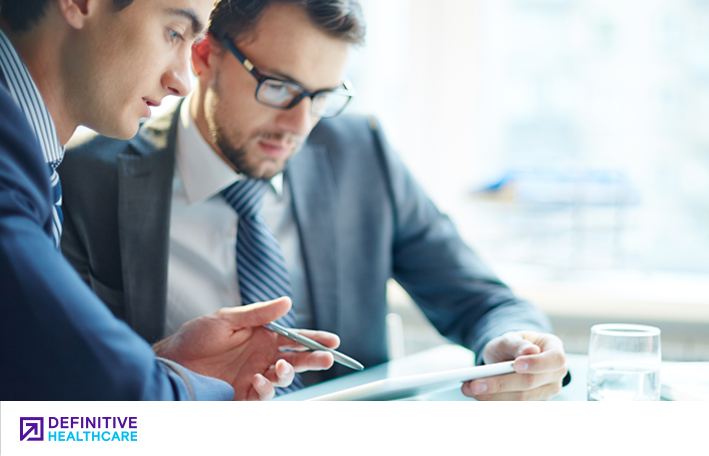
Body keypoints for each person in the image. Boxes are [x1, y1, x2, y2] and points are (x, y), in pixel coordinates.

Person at [60, 0, 570, 400]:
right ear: (204, 56)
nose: (298, 126)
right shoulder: (88, 178)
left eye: (323, 96)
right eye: (279, 88)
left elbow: (481, 298)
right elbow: (59, 384)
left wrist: (518, 344)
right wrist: (166, 371)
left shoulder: (359, 154)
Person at [0, 0, 340, 401]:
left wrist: (162, 366)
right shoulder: (25, 173)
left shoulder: (32, 159)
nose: (183, 82)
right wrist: (178, 389)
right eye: (174, 32)